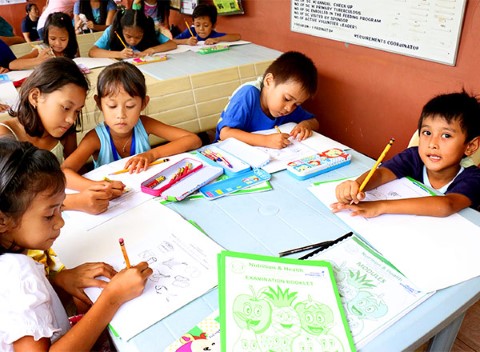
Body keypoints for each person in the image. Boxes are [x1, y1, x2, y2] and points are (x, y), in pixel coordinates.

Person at [0, 138, 152, 351]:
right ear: (2, 221)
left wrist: (59, 282)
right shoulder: (15, 272)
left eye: (61, 208)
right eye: (48, 215)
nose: (60, 222)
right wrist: (112, 298)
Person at [0, 57, 122, 215]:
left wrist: (96, 188)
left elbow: (78, 171)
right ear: (35, 97)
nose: (71, 119)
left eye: (77, 110)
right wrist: (74, 202)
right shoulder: (6, 136)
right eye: (65, 107)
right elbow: (10, 200)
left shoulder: (65, 131)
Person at [332, 91, 480, 218]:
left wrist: (380, 206)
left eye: (446, 135)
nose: (432, 144)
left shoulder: (473, 178)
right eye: (427, 133)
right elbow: (382, 174)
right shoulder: (413, 157)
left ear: (471, 146)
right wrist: (357, 186)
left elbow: (446, 205)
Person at [62, 61, 202, 189]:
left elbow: (193, 140)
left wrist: (152, 154)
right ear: (99, 104)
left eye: (130, 106)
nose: (121, 114)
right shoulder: (95, 138)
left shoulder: (145, 124)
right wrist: (98, 186)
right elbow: (64, 172)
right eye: (112, 106)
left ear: (143, 103)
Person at [215, 51, 319, 149]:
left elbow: (314, 122)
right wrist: (266, 140)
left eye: (297, 104)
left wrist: (305, 125)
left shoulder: (289, 106)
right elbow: (225, 134)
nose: (289, 108)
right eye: (287, 99)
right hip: (225, 154)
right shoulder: (248, 94)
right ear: (268, 81)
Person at [88, 9, 176, 59]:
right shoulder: (112, 31)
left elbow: (172, 44)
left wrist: (150, 50)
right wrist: (119, 54)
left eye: (138, 37)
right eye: (128, 36)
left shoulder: (149, 30)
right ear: (121, 29)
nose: (133, 41)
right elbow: (92, 52)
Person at [10, 12, 79, 70]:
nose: (58, 43)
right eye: (53, 38)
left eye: (63, 39)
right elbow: (12, 65)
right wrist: (37, 60)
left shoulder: (71, 47)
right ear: (46, 36)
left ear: (70, 37)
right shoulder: (42, 49)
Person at [174, 3, 240, 46]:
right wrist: (186, 41)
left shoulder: (213, 35)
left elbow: (237, 36)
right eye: (197, 25)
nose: (201, 29)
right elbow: (172, 41)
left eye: (206, 25)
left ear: (213, 25)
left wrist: (217, 39)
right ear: (193, 23)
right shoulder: (191, 31)